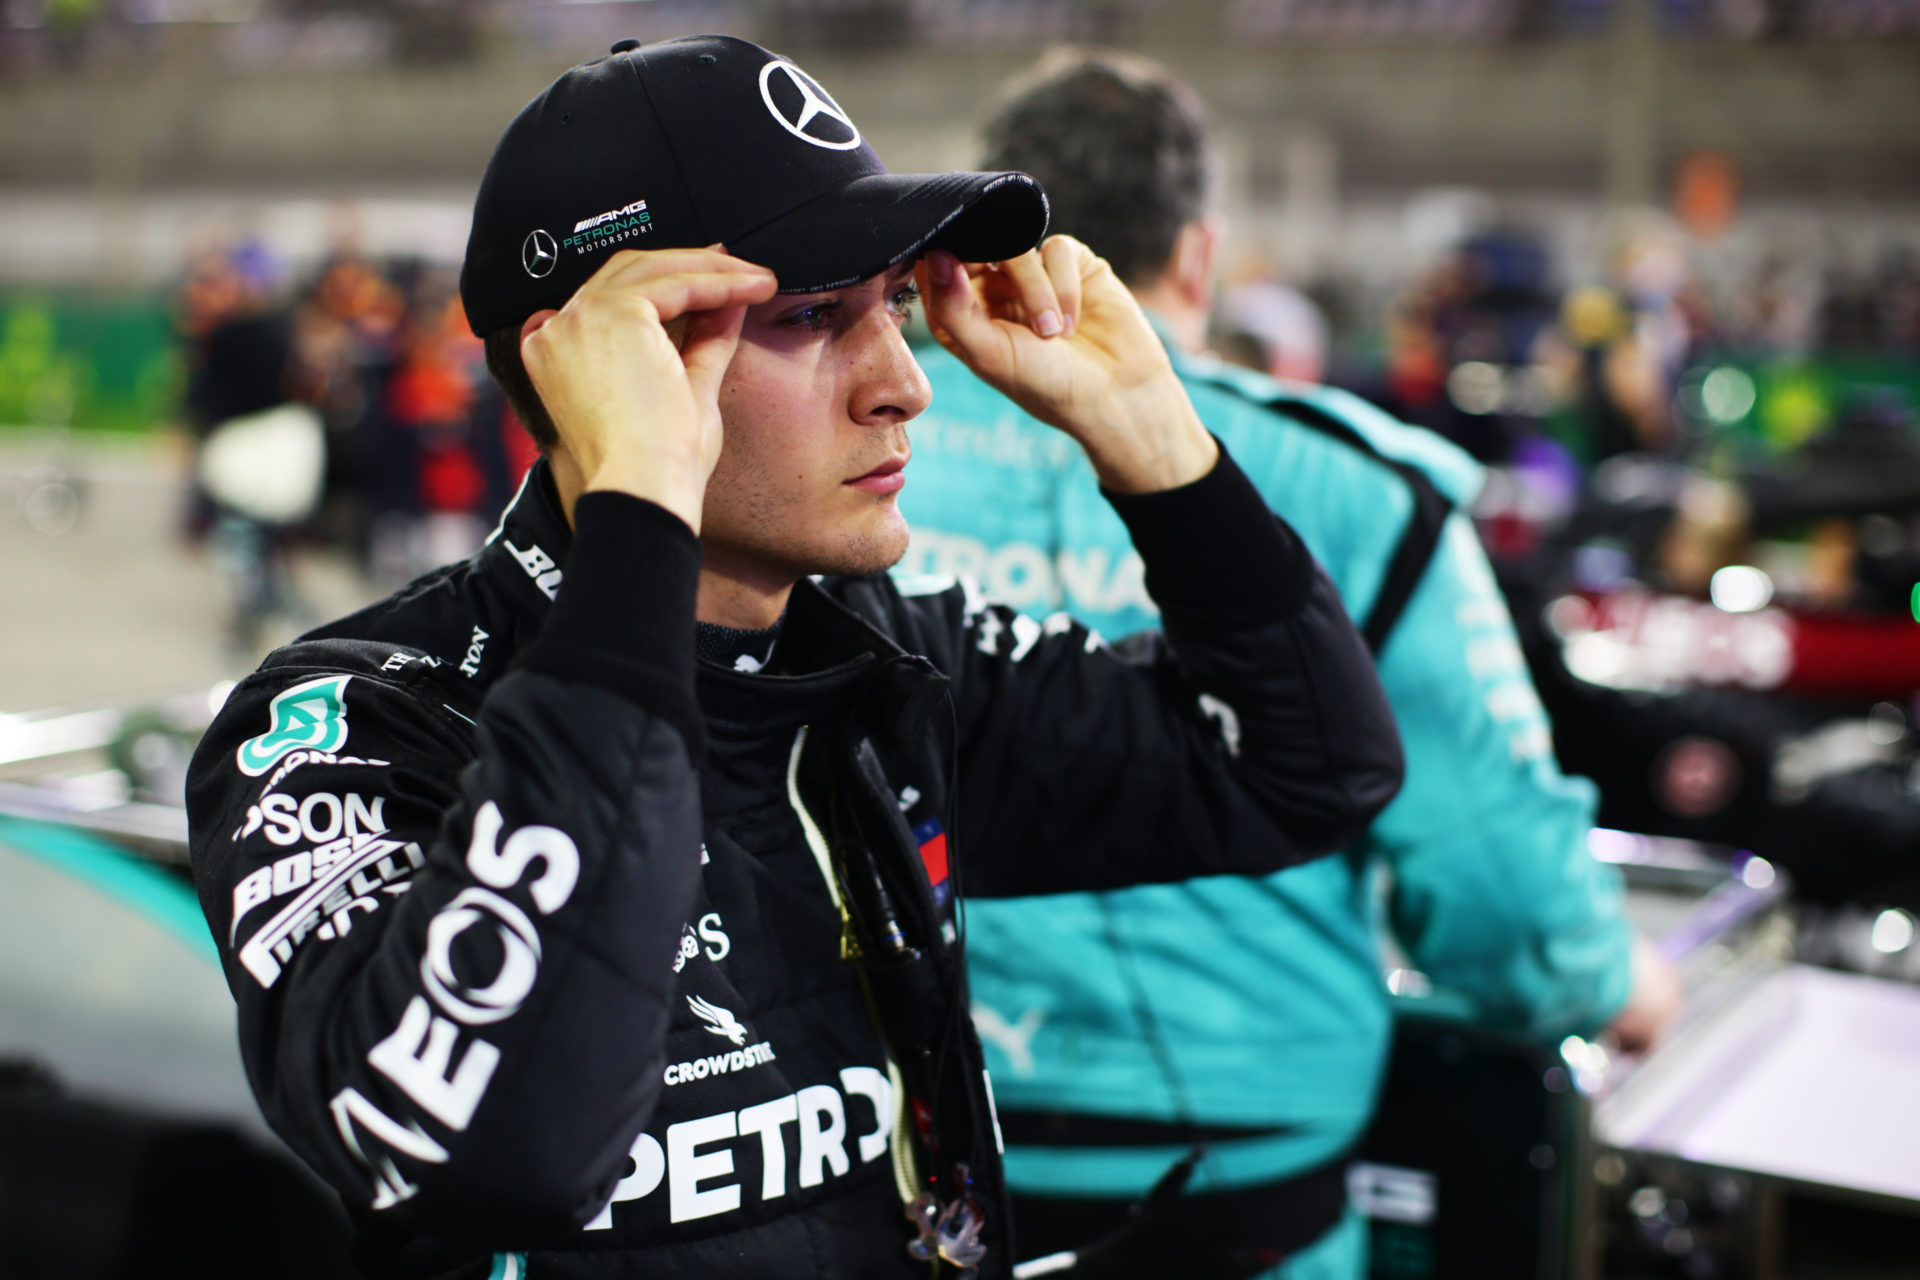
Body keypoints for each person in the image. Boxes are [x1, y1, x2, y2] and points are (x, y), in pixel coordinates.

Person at [183, 35, 1404, 1280]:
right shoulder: (353, 724)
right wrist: (640, 499)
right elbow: (503, 1148)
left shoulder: (885, 664)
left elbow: (1305, 767)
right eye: (817, 315)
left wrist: (1157, 439)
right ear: (602, 357)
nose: (902, 384)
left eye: (894, 307)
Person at [898, 49, 1679, 1278]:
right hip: (1245, 1193)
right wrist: (1607, 983)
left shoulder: (846, 455)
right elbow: (1496, 887)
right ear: (1201, 256)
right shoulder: (1352, 483)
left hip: (885, 1163)